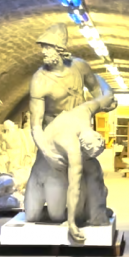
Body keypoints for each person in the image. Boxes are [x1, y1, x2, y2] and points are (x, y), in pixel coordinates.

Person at [24, 23, 114, 224]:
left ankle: (95, 213)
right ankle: (62, 210)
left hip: (78, 129)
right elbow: (35, 125)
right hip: (51, 135)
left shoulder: (79, 66)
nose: (43, 52)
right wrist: (46, 151)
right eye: (43, 47)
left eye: (48, 47)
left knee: (91, 172)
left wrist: (101, 105)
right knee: (32, 214)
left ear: (60, 49)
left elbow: (96, 90)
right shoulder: (40, 80)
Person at [43, 91, 117, 243]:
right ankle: (86, 214)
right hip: (50, 161)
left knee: (94, 170)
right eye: (88, 155)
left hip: (57, 152)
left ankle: (97, 213)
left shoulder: (85, 112)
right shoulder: (73, 147)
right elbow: (73, 187)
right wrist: (71, 223)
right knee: (39, 213)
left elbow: (107, 94)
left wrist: (109, 105)